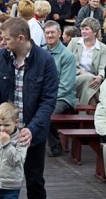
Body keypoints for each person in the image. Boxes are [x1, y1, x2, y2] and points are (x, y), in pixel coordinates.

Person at [0, 17, 58, 199]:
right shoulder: (0, 57)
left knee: (35, 181)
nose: (2, 42)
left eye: (6, 39)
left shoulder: (45, 60)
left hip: (32, 132)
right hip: (3, 129)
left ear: (21, 38)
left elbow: (48, 101)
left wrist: (32, 129)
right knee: (1, 181)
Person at [43, 21, 76, 157]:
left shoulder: (67, 55)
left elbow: (66, 85)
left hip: (63, 98)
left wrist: (47, 99)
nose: (50, 35)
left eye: (53, 32)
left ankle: (56, 145)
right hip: (45, 96)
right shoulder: (41, 52)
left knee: (47, 115)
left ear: (59, 34)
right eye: (47, 33)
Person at [68, 17, 106, 105]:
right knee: (89, 78)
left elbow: (102, 67)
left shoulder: (103, 48)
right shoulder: (74, 42)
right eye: (82, 29)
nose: (83, 31)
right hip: (74, 78)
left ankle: (86, 115)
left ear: (95, 32)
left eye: (86, 29)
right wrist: (81, 72)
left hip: (93, 80)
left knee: (90, 82)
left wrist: (100, 76)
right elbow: (67, 64)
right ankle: (103, 102)